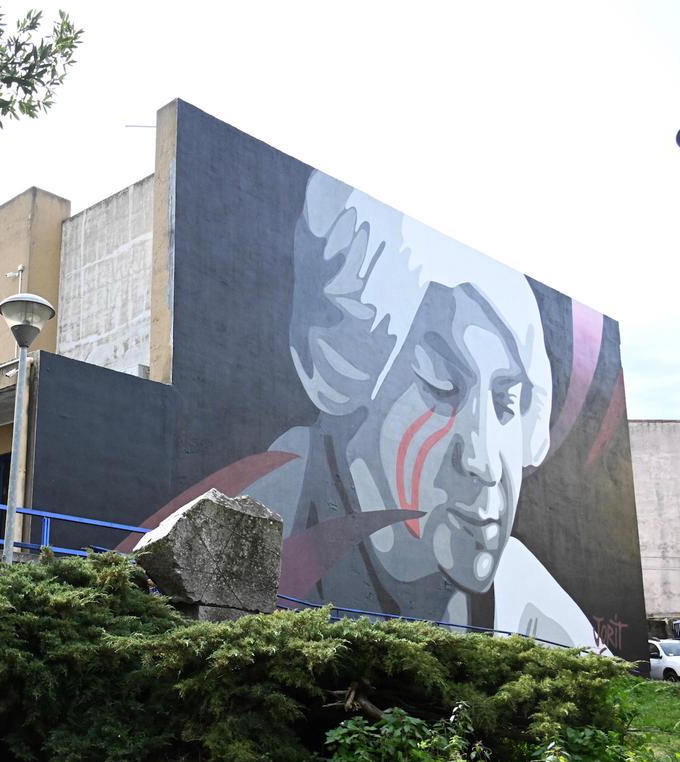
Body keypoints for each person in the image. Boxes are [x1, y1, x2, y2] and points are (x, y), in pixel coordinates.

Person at [244, 170, 598, 649]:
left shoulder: (539, 615)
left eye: (505, 402)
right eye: (441, 385)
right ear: (345, 369)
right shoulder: (254, 531)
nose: (484, 461)